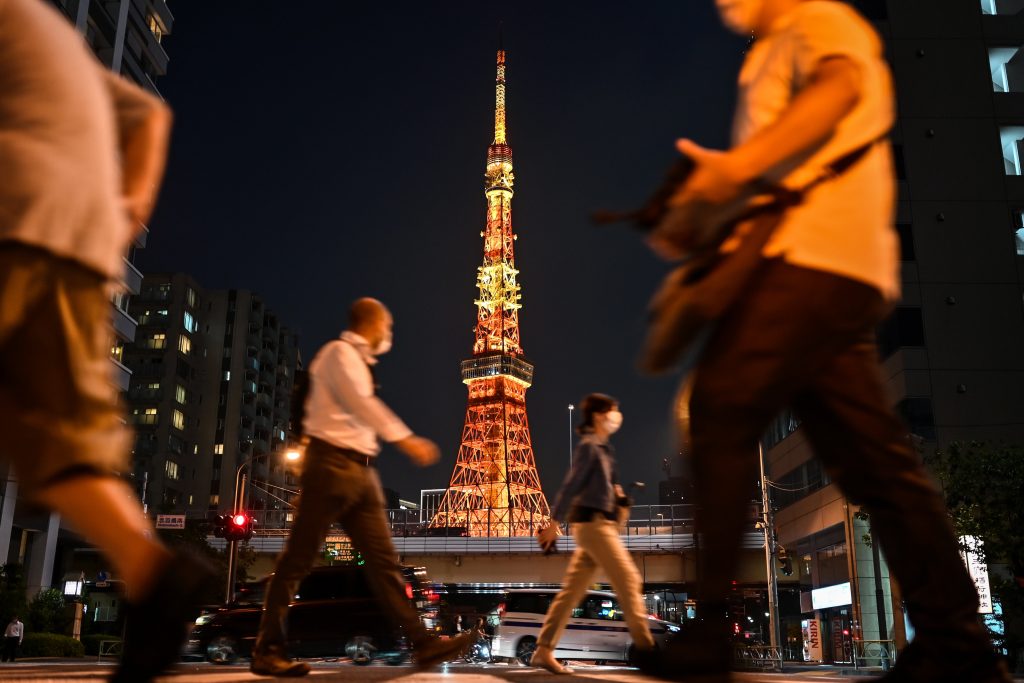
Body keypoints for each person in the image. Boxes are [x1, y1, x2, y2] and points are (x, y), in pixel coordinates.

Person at [640, 1, 1011, 682]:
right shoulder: (770, 48)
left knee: (721, 407)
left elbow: (839, 92)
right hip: (826, 264)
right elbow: (780, 169)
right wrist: (705, 211)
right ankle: (957, 640)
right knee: (874, 462)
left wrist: (733, 172)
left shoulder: (817, 19)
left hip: (814, 263)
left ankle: (710, 631)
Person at [0, 2, 212, 682]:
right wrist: (124, 213)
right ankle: (155, 571)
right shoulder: (43, 27)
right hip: (66, 235)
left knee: (50, 432)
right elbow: (149, 116)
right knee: (44, 432)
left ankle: (156, 571)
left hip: (26, 226)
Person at [251, 298, 475, 676]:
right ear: (371, 325)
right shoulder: (338, 354)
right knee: (297, 561)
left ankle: (423, 645)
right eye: (386, 326)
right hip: (330, 465)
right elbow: (362, 403)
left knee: (385, 564)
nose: (388, 335)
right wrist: (406, 439)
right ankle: (267, 649)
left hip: (359, 471)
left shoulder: (357, 363)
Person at [532, 394, 654, 675]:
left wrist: (618, 497)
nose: (617, 415)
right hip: (594, 527)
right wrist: (553, 522)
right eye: (613, 410)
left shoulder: (603, 449)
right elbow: (571, 484)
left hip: (599, 526)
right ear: (599, 415)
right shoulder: (590, 447)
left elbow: (598, 488)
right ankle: (648, 653)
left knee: (571, 592)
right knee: (629, 579)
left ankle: (543, 650)